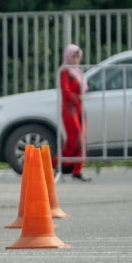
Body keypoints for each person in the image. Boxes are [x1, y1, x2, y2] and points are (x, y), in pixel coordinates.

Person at [59, 43, 90, 181]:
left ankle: (77, 170)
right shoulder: (65, 71)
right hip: (70, 109)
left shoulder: (78, 72)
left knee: (82, 139)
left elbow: (84, 88)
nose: (76, 59)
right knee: (74, 139)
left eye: (78, 56)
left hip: (79, 109)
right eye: (73, 56)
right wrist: (78, 98)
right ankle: (59, 164)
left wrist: (80, 98)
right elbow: (65, 91)